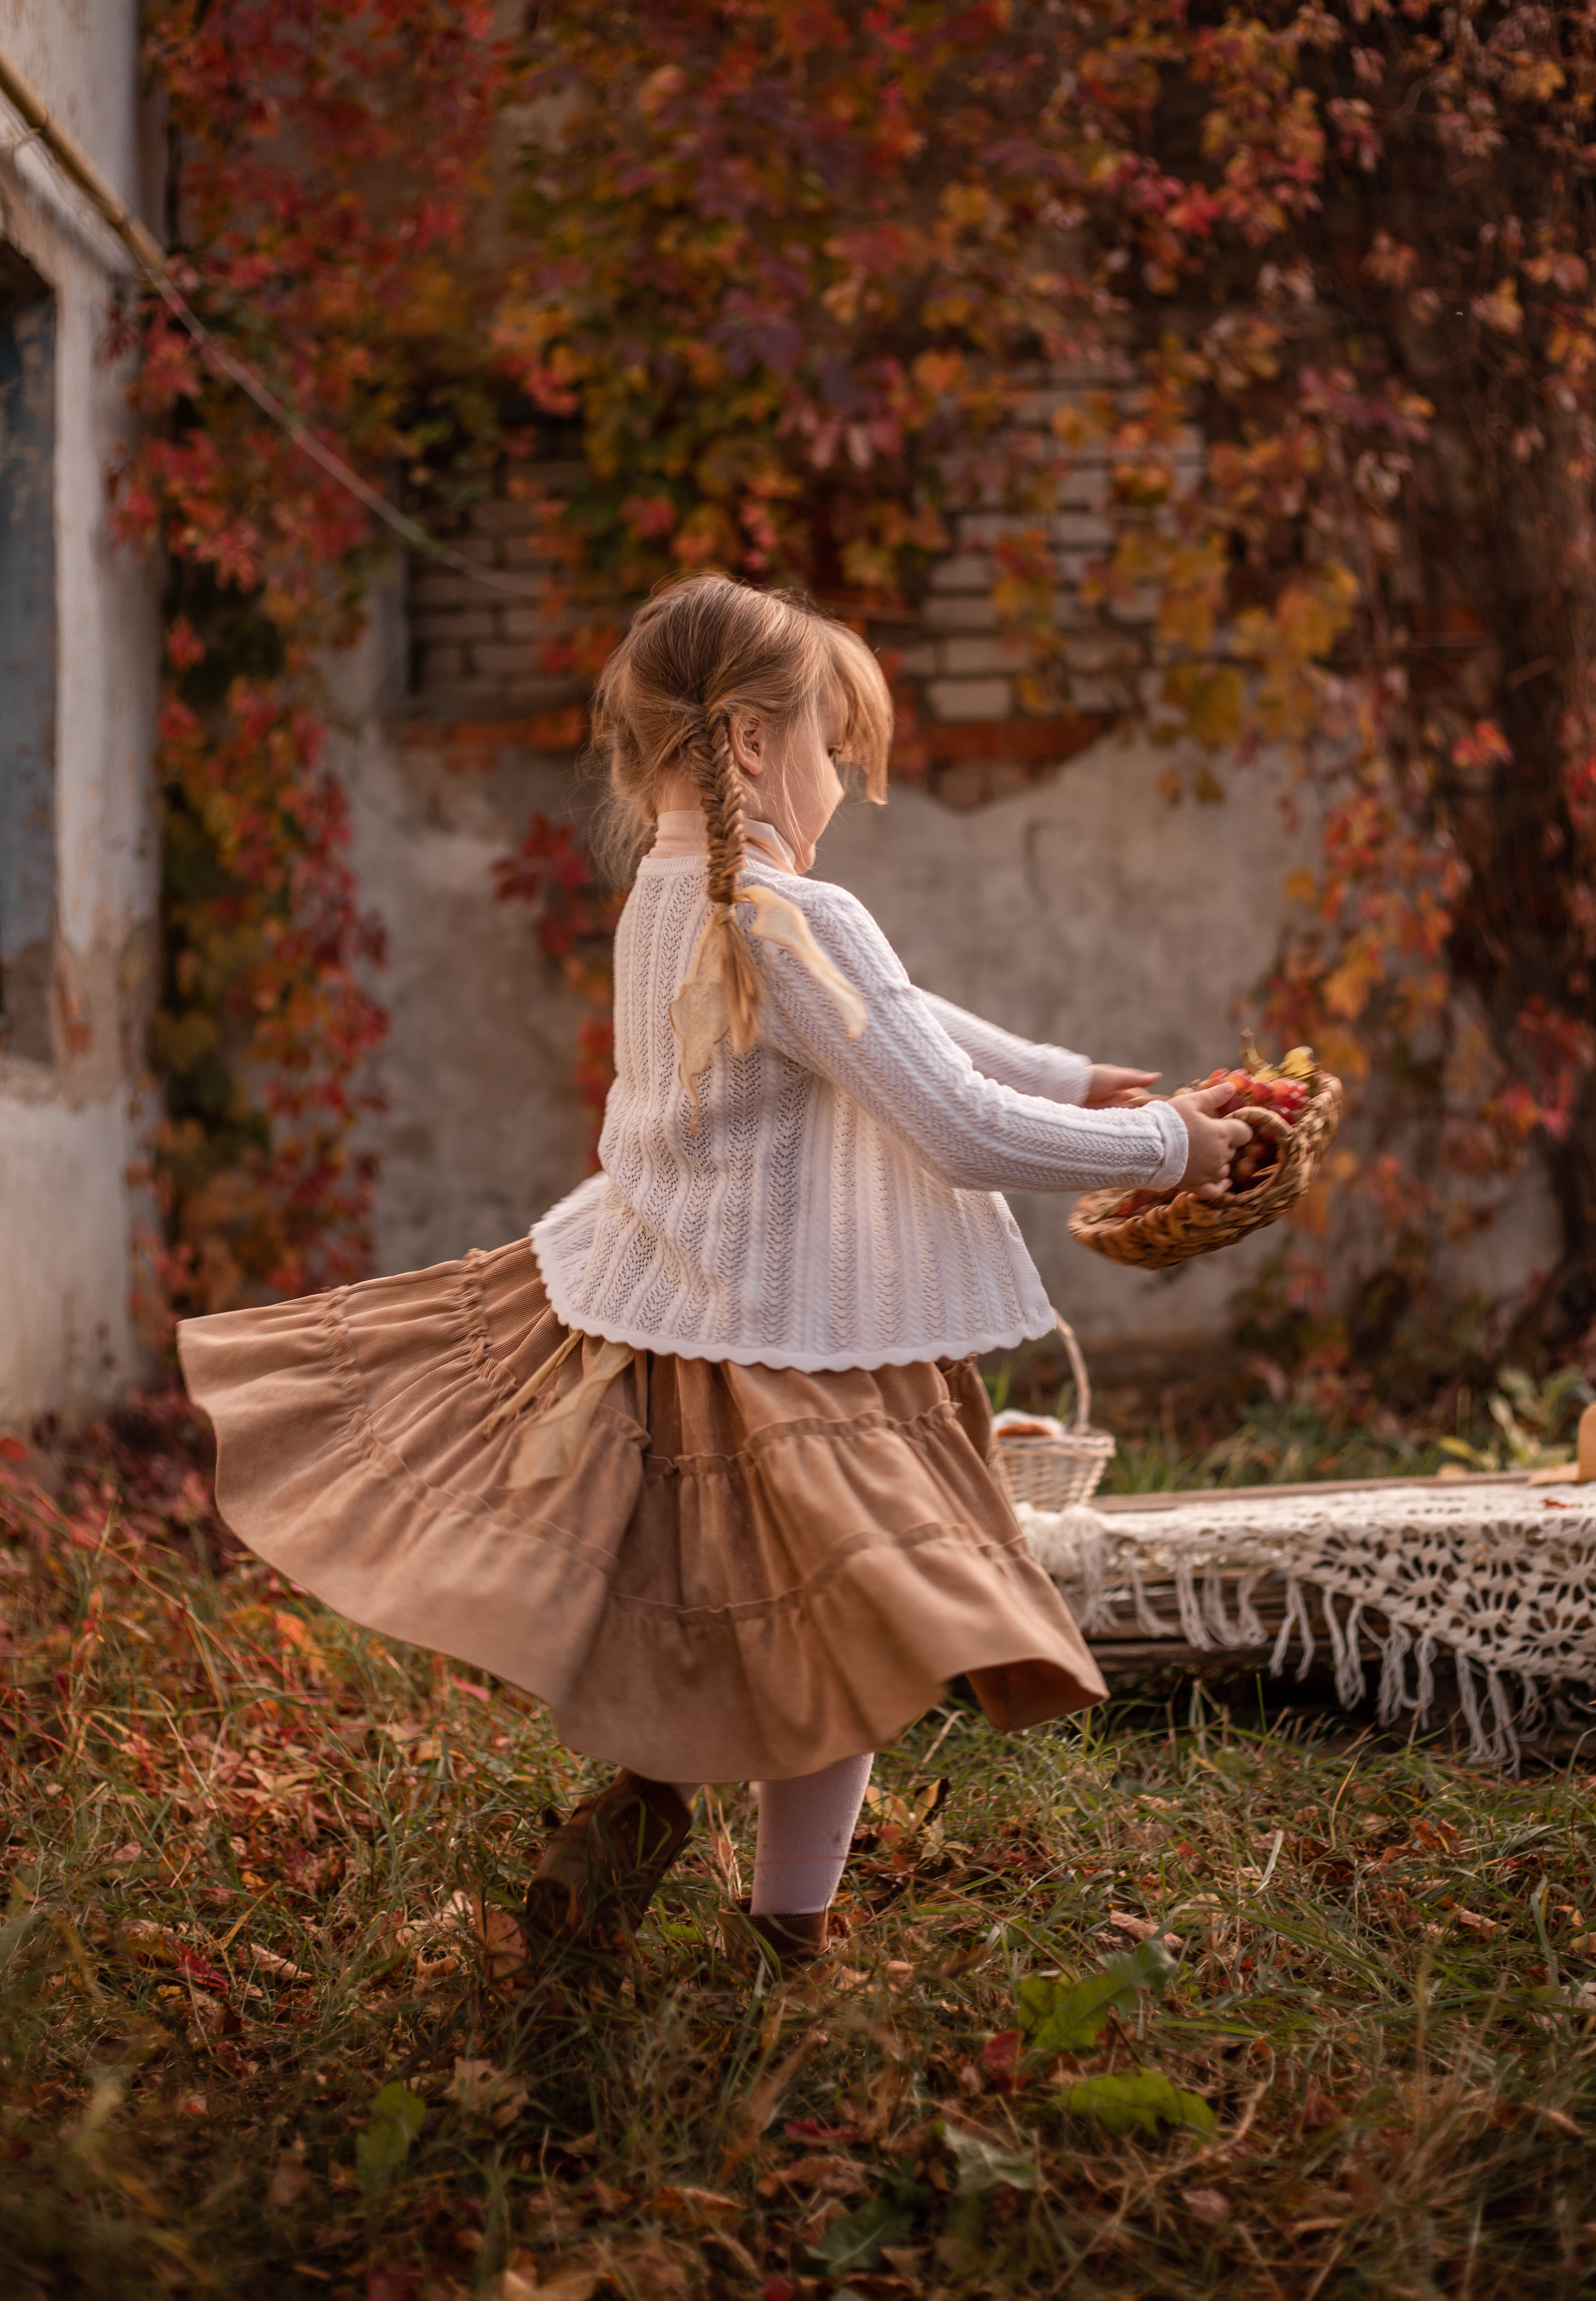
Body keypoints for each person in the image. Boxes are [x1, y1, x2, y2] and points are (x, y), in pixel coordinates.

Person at [179, 574, 1249, 1970]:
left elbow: (891, 1018)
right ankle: (788, 1932)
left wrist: (1059, 1074)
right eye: (830, 747)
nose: (840, 782)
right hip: (802, 1343)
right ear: (751, 743)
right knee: (843, 1636)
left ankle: (643, 1809)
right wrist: (1168, 1144)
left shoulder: (665, 898)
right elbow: (955, 1125)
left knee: (714, 1606)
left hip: (661, 1322)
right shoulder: (798, 916)